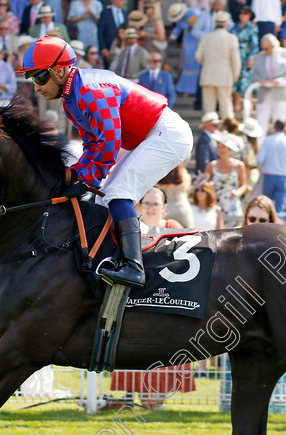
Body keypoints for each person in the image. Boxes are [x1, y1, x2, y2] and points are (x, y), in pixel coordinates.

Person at [22, 36, 193, 288]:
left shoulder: (89, 90)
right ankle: (108, 259)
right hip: (146, 136)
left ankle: (134, 267)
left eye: (38, 77)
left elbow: (108, 144)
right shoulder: (71, 98)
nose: (36, 87)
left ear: (58, 71)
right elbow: (92, 146)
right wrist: (74, 176)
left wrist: (86, 179)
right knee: (102, 196)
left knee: (117, 191)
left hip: (166, 133)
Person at [195, 12, 240, 120]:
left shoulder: (206, 37)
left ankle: (209, 129)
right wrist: (235, 75)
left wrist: (206, 64)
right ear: (226, 24)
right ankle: (228, 130)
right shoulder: (231, 38)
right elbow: (236, 61)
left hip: (208, 74)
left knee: (208, 107)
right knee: (226, 105)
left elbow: (198, 56)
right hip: (225, 75)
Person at [251, 33, 286, 133]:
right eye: (263, 49)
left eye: (267, 49)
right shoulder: (259, 56)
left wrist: (283, 80)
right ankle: (259, 145)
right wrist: (260, 79)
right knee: (261, 122)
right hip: (264, 93)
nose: (265, 51)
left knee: (280, 121)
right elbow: (254, 73)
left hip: (281, 93)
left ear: (274, 46)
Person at [205, 130, 247, 227]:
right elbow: (205, 184)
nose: (221, 149)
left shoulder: (239, 165)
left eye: (223, 147)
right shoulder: (212, 165)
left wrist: (237, 193)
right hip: (216, 204)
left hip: (232, 204)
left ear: (229, 149)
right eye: (219, 147)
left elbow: (243, 185)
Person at [256, 120, 286, 213]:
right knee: (280, 208)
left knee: (266, 207)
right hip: (283, 177)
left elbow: (259, 160)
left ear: (274, 128)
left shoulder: (267, 141)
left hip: (269, 177)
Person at [168, 3, 200, 97]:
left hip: (196, 39)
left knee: (196, 63)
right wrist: (171, 38)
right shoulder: (180, 19)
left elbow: (198, 26)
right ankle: (186, 89)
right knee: (187, 64)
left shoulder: (194, 13)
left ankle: (194, 90)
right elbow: (178, 28)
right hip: (187, 40)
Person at [232, 6, 258, 115]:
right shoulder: (234, 27)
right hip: (235, 56)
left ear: (249, 15)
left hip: (245, 56)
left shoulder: (252, 28)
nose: (242, 15)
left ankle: (248, 102)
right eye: (241, 13)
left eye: (245, 13)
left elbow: (254, 44)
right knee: (236, 79)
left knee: (246, 79)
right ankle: (236, 103)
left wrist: (251, 57)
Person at [157, 162, 194, 227]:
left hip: (165, 211)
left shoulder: (158, 178)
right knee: (188, 234)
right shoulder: (186, 177)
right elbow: (188, 192)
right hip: (183, 209)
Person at [98, 0, 128, 66]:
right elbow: (100, 32)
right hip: (109, 47)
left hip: (122, 47)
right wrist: (103, 48)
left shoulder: (125, 13)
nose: (124, 2)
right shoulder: (105, 13)